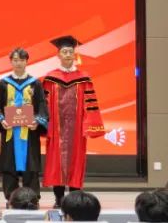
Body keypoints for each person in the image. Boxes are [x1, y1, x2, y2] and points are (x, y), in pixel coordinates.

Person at [42, 35, 105, 208]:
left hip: (77, 130)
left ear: (74, 54)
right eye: (64, 52)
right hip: (57, 130)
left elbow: (90, 103)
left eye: (70, 52)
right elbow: (44, 104)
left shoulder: (83, 78)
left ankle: (75, 200)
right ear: (58, 55)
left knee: (76, 162)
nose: (68, 55)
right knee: (56, 164)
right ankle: (59, 199)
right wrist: (44, 126)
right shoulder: (50, 78)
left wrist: (89, 125)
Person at [0, 47, 49, 206]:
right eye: (15, 60)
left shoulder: (35, 83)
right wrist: (1, 120)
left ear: (26, 62)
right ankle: (11, 198)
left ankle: (32, 199)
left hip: (29, 133)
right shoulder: (4, 84)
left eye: (22, 60)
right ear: (11, 62)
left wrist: (37, 121)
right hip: (10, 133)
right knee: (9, 166)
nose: (18, 63)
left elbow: (42, 107)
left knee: (30, 167)